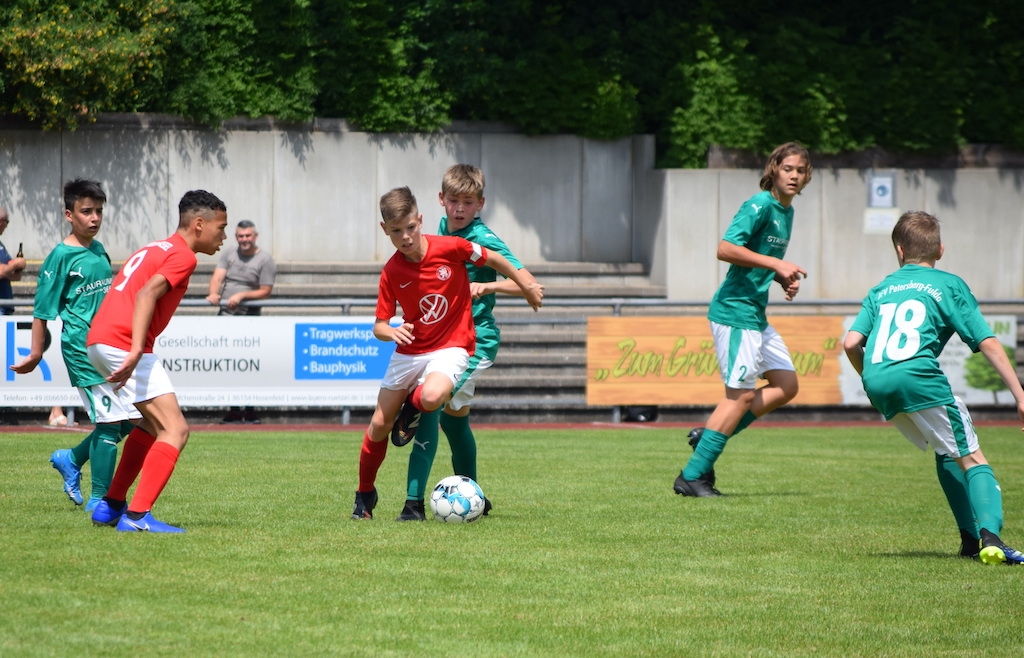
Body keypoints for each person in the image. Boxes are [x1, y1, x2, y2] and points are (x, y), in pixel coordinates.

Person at [843, 211, 1024, 565]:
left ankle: (969, 540)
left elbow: (851, 343)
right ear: (940, 249)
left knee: (946, 451)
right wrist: (1020, 394)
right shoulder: (949, 284)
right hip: (917, 377)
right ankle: (991, 538)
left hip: (876, 379)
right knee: (972, 458)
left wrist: (870, 380)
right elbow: (987, 341)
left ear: (899, 250)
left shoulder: (881, 289)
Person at [351, 186, 543, 520]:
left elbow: (493, 258)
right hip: (410, 352)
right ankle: (365, 494)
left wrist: (525, 285)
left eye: (410, 227)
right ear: (385, 229)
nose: (405, 237)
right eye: (396, 231)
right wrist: (392, 331)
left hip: (452, 346)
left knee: (431, 397)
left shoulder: (450, 247)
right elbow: (379, 326)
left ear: (420, 220)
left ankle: (412, 411)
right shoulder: (392, 271)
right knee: (380, 424)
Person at [675, 142, 812, 497]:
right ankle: (692, 476)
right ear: (774, 170)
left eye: (800, 170)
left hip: (754, 313)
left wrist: (780, 277)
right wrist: (777, 264)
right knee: (739, 397)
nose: (794, 175)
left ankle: (710, 437)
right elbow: (726, 248)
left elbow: (757, 260)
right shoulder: (760, 204)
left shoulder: (787, 212)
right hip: (735, 311)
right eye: (788, 169)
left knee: (786, 386)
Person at [86, 190, 228, 533]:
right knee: (175, 429)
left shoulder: (154, 247)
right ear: (199, 224)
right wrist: (137, 348)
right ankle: (137, 517)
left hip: (100, 340)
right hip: (124, 344)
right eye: (221, 227)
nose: (223, 236)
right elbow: (147, 292)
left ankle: (111, 506)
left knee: (151, 426)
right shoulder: (184, 256)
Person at [10, 179, 139, 511]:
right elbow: (42, 311)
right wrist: (35, 353)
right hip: (82, 348)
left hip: (111, 345)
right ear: (69, 214)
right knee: (110, 422)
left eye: (99, 211)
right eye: (86, 211)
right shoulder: (60, 257)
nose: (94, 218)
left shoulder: (98, 250)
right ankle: (100, 501)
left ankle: (71, 458)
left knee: (135, 418)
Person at [205, 219, 276, 424]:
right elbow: (218, 277)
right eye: (240, 236)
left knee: (250, 365)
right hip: (227, 317)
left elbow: (266, 291)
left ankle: (250, 410)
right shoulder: (229, 253)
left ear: (255, 236)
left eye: (247, 236)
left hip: (249, 319)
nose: (244, 240)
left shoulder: (265, 259)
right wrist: (213, 293)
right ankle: (234, 409)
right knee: (229, 365)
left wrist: (242, 295)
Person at [0, 206, 27, 314]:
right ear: (1, 221)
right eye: (7, 222)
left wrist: (7, 269)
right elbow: (1, 272)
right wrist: (16, 264)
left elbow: (16, 276)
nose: (7, 226)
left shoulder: (1, 245)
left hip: (6, 306)